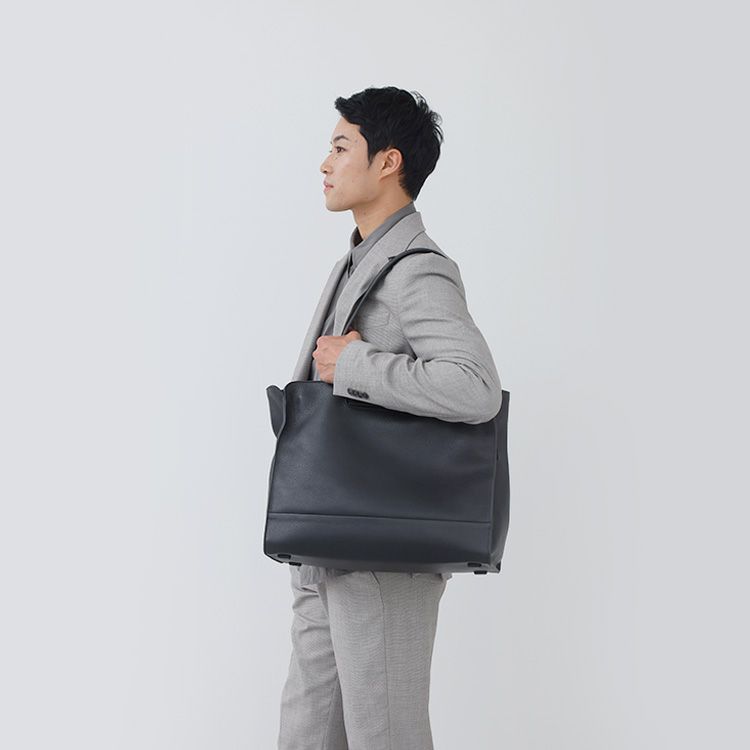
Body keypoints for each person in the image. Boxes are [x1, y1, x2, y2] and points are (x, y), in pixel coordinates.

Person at [277, 86, 502, 750]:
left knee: (386, 736)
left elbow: (476, 387)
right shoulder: (358, 261)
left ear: (388, 162)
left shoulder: (417, 271)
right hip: (327, 544)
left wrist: (356, 364)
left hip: (381, 554)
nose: (325, 163)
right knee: (307, 732)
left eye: (341, 146)